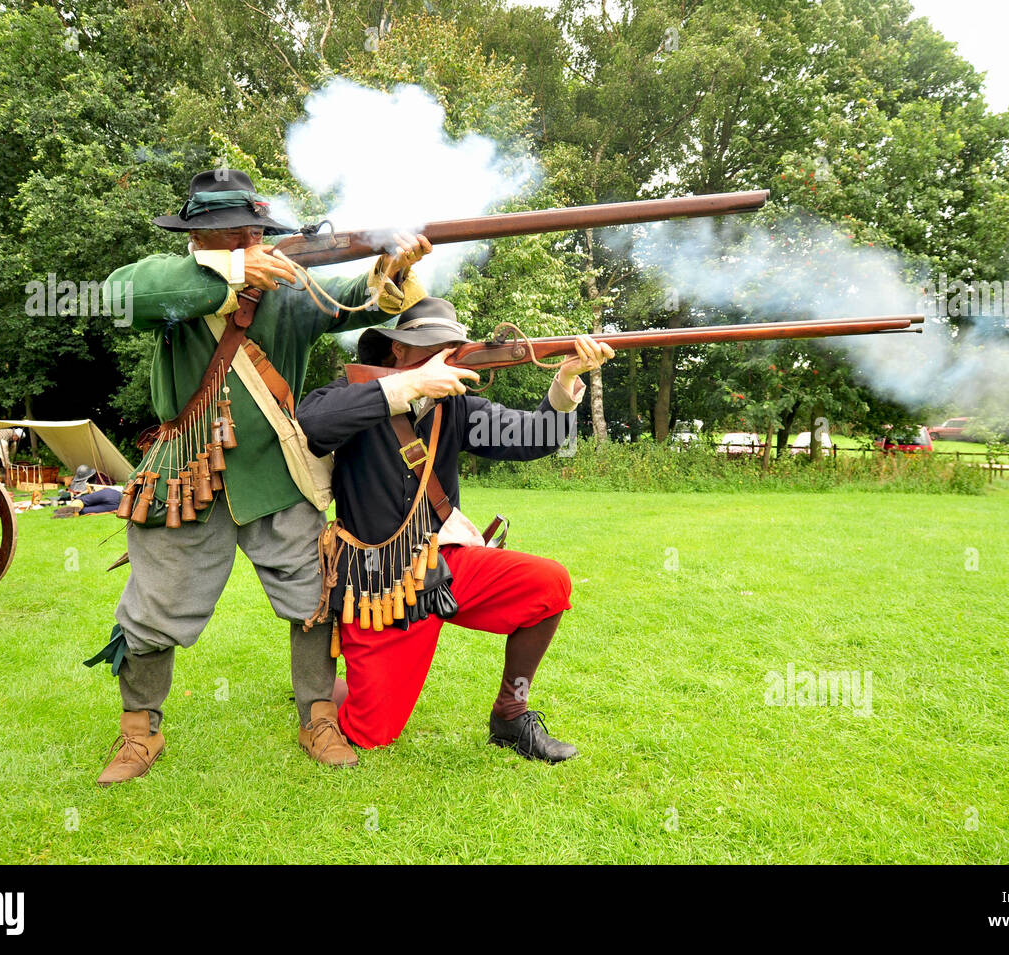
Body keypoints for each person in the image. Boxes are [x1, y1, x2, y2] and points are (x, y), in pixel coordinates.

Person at [83, 168, 430, 785]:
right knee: (150, 613)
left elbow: (355, 299)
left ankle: (319, 717)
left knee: (314, 603)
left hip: (277, 474)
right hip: (183, 476)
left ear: (259, 232)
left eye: (238, 235)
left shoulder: (291, 294)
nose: (226, 244)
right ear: (194, 240)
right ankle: (139, 733)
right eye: (214, 237)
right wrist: (232, 274)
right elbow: (117, 294)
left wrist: (389, 270)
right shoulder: (175, 288)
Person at [296, 297, 614, 762]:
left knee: (549, 584)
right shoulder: (352, 396)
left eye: (447, 348)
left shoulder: (458, 408)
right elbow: (313, 423)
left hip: (445, 568)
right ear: (396, 352)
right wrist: (404, 388)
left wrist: (565, 380)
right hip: (378, 586)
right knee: (371, 732)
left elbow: (537, 437)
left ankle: (510, 713)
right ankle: (326, 691)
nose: (438, 357)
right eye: (425, 348)